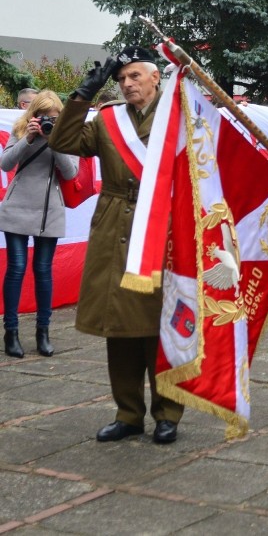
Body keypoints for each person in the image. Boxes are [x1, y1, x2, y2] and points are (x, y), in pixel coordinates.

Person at [49, 45, 185, 444]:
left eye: (135, 77)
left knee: (163, 326)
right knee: (120, 328)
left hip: (163, 228)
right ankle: (128, 413)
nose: (127, 84)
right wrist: (82, 96)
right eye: (122, 79)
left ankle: (167, 413)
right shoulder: (109, 121)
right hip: (115, 231)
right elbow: (64, 140)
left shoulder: (180, 117)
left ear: (155, 76)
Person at [0, 91, 78, 358]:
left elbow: (71, 172)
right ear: (33, 115)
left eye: (53, 118)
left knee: (43, 270)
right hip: (17, 209)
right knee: (17, 268)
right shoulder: (21, 130)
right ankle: (11, 332)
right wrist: (29, 138)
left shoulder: (65, 134)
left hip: (49, 212)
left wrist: (55, 141)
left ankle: (42, 333)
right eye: (43, 117)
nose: (48, 122)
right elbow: (5, 162)